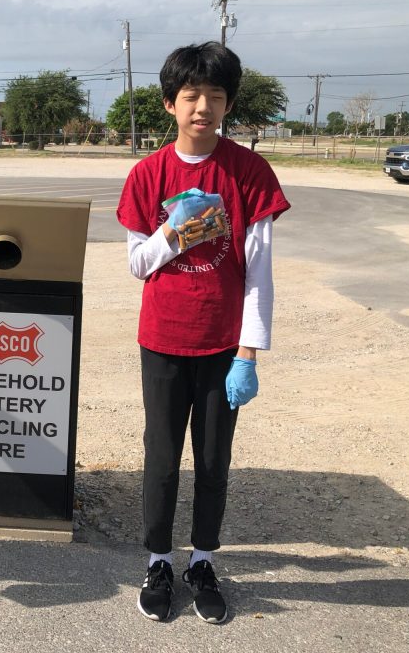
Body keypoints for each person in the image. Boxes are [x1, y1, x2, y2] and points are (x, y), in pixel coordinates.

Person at [116, 42, 290, 624]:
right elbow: (137, 264)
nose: (203, 107)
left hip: (222, 344)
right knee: (162, 457)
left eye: (216, 96)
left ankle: (203, 561)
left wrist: (249, 354)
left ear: (228, 103)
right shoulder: (148, 174)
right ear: (170, 103)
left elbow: (259, 273)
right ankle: (159, 562)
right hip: (163, 338)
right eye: (191, 95)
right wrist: (177, 230)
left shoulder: (249, 172)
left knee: (214, 460)